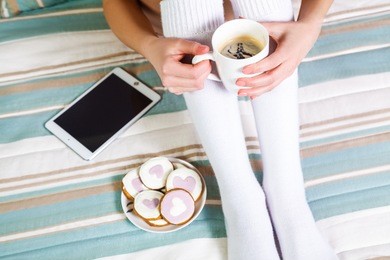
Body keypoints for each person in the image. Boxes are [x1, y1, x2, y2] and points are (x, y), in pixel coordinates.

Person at [103, 0, 338, 259]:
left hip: (266, 18)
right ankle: (240, 198)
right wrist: (149, 45)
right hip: (182, 26)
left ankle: (287, 193)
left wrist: (310, 23)